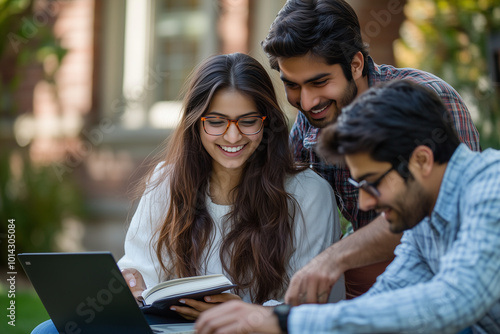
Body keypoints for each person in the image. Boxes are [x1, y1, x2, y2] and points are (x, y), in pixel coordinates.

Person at [30, 52, 344, 333]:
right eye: (216, 122)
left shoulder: (308, 194)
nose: (232, 136)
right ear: (196, 123)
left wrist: (240, 314)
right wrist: (132, 284)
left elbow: (311, 311)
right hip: (172, 328)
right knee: (49, 332)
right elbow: (142, 271)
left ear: (267, 122)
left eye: (248, 121)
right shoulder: (166, 180)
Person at [195, 79, 500, 334]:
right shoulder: (422, 218)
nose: (365, 204)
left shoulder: (491, 189)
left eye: (372, 182)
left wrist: (285, 321)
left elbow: (453, 301)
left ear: (421, 160)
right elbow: (381, 304)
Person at [260, 0, 481, 302]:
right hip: (370, 288)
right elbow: (281, 201)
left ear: (355, 65)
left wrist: (333, 258)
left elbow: (443, 216)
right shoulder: (310, 121)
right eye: (293, 86)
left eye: (319, 82)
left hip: (444, 283)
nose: (308, 102)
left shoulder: (429, 100)